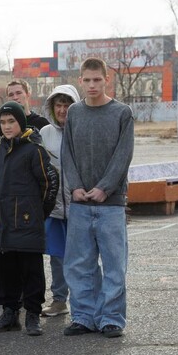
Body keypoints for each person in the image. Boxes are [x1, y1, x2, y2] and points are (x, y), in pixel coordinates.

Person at [60, 57, 135, 338]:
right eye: (87, 80)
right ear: (80, 81)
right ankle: (83, 316)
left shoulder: (121, 113)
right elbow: (67, 153)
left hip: (111, 204)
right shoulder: (75, 113)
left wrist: (105, 187)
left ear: (107, 80)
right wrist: (75, 186)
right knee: (79, 264)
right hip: (80, 203)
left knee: (114, 263)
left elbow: (123, 155)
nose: (92, 85)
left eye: (97, 80)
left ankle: (111, 318)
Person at [0, 102, 59, 336]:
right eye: (3, 122)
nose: (7, 127)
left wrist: (39, 213)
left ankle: (33, 314)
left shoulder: (33, 150)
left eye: (12, 122)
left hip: (27, 222)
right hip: (3, 223)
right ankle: (9, 313)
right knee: (7, 271)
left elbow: (49, 183)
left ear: (21, 123)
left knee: (31, 270)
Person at [38, 84, 81, 318]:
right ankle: (58, 300)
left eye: (67, 105)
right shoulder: (45, 133)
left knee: (81, 257)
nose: (63, 110)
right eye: (59, 105)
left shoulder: (82, 129)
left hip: (79, 206)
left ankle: (83, 302)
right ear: (52, 108)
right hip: (54, 209)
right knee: (57, 256)